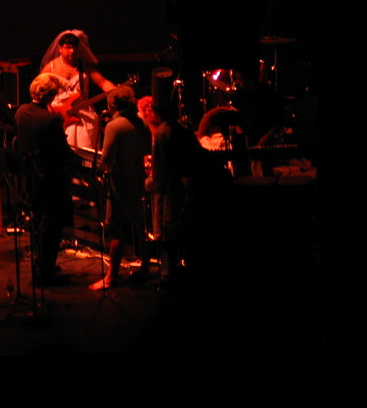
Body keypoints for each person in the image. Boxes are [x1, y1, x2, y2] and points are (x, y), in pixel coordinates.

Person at [146, 71, 233, 294]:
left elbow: (163, 170)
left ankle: (169, 278)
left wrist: (148, 184)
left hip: (174, 189)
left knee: (169, 235)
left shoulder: (164, 133)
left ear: (156, 111)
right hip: (186, 185)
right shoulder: (178, 128)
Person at [14, 73, 76, 286]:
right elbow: (63, 152)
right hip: (51, 178)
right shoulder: (51, 120)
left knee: (38, 221)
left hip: (30, 177)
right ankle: (45, 270)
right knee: (52, 225)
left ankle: (40, 265)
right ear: (51, 95)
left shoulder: (21, 112)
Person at [88, 85, 149, 290]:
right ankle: (145, 268)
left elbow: (106, 158)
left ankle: (111, 277)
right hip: (139, 180)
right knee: (140, 227)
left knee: (116, 229)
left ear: (112, 105)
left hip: (120, 183)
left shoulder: (114, 126)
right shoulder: (141, 123)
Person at [40, 30, 115, 149]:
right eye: (68, 48)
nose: (72, 51)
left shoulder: (84, 66)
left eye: (74, 48)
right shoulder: (51, 68)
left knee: (85, 150)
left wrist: (116, 90)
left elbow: (102, 82)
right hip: (59, 115)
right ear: (60, 48)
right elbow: (38, 91)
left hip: (83, 115)